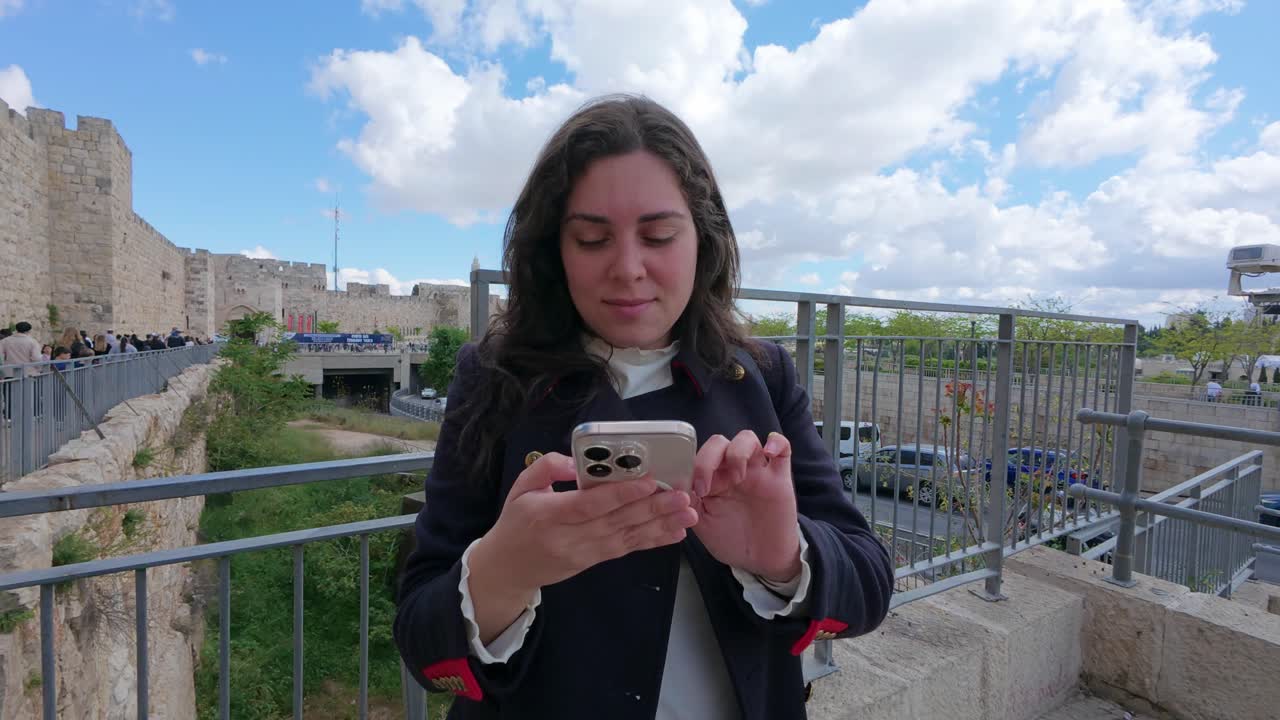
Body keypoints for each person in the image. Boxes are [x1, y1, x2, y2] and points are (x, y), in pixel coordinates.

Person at [394, 96, 894, 719]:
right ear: (555, 249)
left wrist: (783, 555)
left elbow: (870, 583)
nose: (628, 269)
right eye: (591, 238)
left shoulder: (761, 376)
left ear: (703, 240)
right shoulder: (493, 378)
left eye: (658, 236)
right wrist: (502, 572)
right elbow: (419, 633)